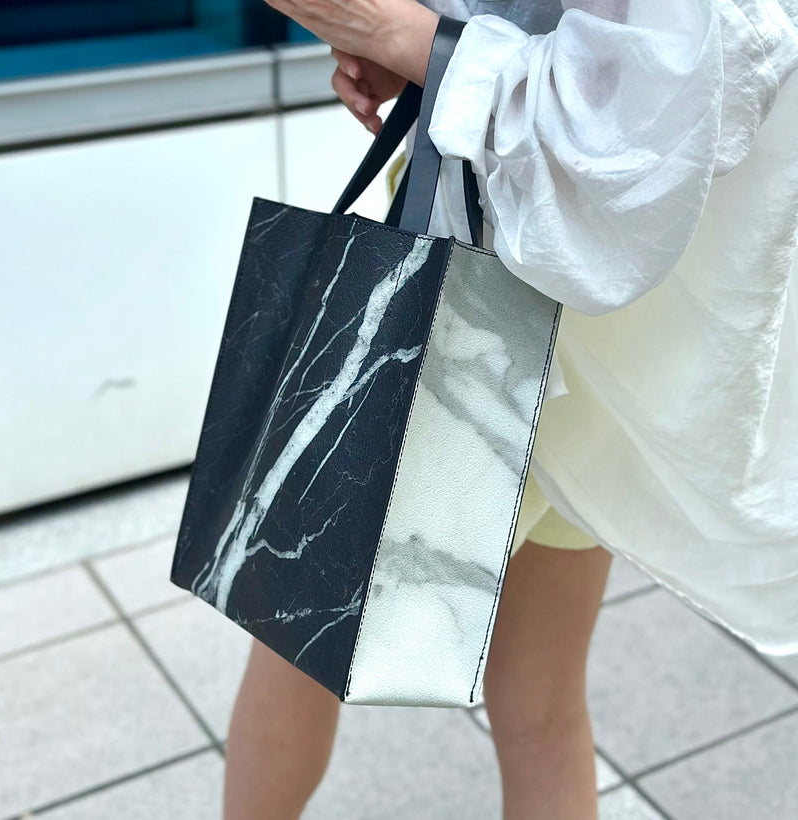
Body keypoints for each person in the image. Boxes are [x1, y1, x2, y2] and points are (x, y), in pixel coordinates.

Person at [224, 1, 798, 818]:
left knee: (292, 636)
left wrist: (401, 33)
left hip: (478, 289)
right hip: (615, 333)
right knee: (540, 701)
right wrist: (430, 45)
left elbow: (639, 110)